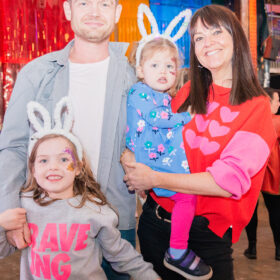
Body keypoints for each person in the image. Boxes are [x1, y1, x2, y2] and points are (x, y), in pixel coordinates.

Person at [122, 5, 276, 280]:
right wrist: (131, 157)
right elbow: (153, 134)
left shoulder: (256, 107)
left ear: (236, 38)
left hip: (204, 238)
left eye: (216, 32)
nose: (208, 43)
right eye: (199, 37)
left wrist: (154, 177)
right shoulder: (189, 90)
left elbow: (226, 182)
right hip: (154, 223)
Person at [0, 1, 136, 279]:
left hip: (116, 217)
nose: (95, 11)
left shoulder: (135, 74)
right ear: (68, 10)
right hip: (50, 221)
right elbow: (13, 148)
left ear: (117, 13)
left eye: (105, 4)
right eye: (84, 2)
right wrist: (10, 211)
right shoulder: (37, 73)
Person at [0, 97, 160, 280]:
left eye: (63, 159)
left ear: (77, 168)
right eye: (44, 160)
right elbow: (3, 250)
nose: (53, 167)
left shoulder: (96, 210)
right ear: (33, 169)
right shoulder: (24, 208)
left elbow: (122, 255)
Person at [124, 4, 212, 279]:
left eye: (170, 66)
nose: (163, 71)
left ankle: (177, 248)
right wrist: (186, 117)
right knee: (187, 196)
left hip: (158, 161)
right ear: (139, 70)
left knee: (187, 198)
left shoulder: (160, 95)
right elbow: (158, 119)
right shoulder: (139, 92)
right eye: (154, 65)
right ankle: (177, 250)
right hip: (155, 163)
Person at [244, 88, 280, 261]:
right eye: (276, 101)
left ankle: (252, 248)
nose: (279, 104)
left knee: (251, 211)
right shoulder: (277, 121)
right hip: (272, 173)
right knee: (276, 212)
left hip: (252, 173)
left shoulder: (251, 121)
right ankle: (279, 250)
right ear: (268, 102)